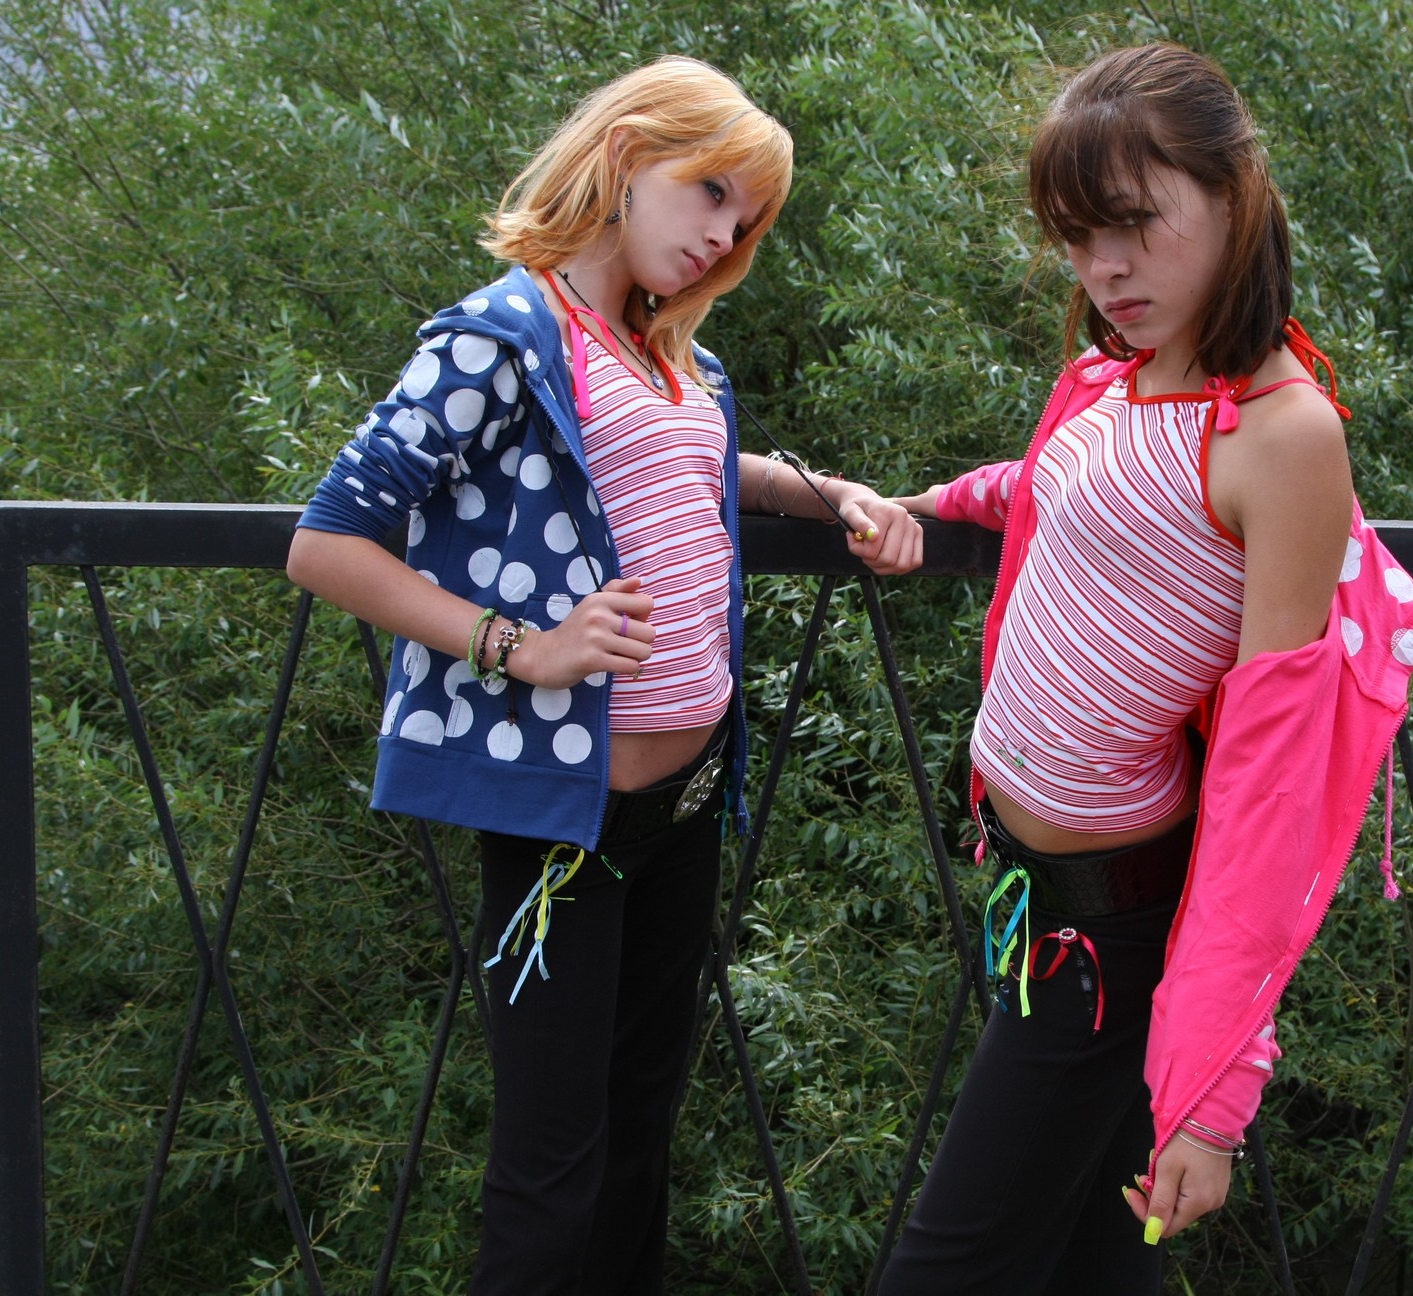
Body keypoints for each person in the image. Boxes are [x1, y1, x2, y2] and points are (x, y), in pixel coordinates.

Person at [286, 56, 921, 1295]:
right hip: (563, 820)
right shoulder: (501, 335)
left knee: (638, 1147)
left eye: (746, 220)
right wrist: (522, 646)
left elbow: (704, 467)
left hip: (685, 805)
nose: (724, 235)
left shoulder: (668, 354)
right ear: (627, 154)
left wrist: (834, 492)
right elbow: (326, 542)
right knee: (553, 1168)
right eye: (711, 192)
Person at [877, 44, 1413, 1293]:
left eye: (1134, 224)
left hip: (1112, 935)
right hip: (1034, 898)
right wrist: (922, 506)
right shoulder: (1115, 379)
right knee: (1092, 1266)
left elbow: (1273, 786)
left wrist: (1213, 1094)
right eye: (1078, 238)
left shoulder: (1284, 435)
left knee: (943, 1267)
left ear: (1234, 197)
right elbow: (1059, 491)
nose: (1104, 269)